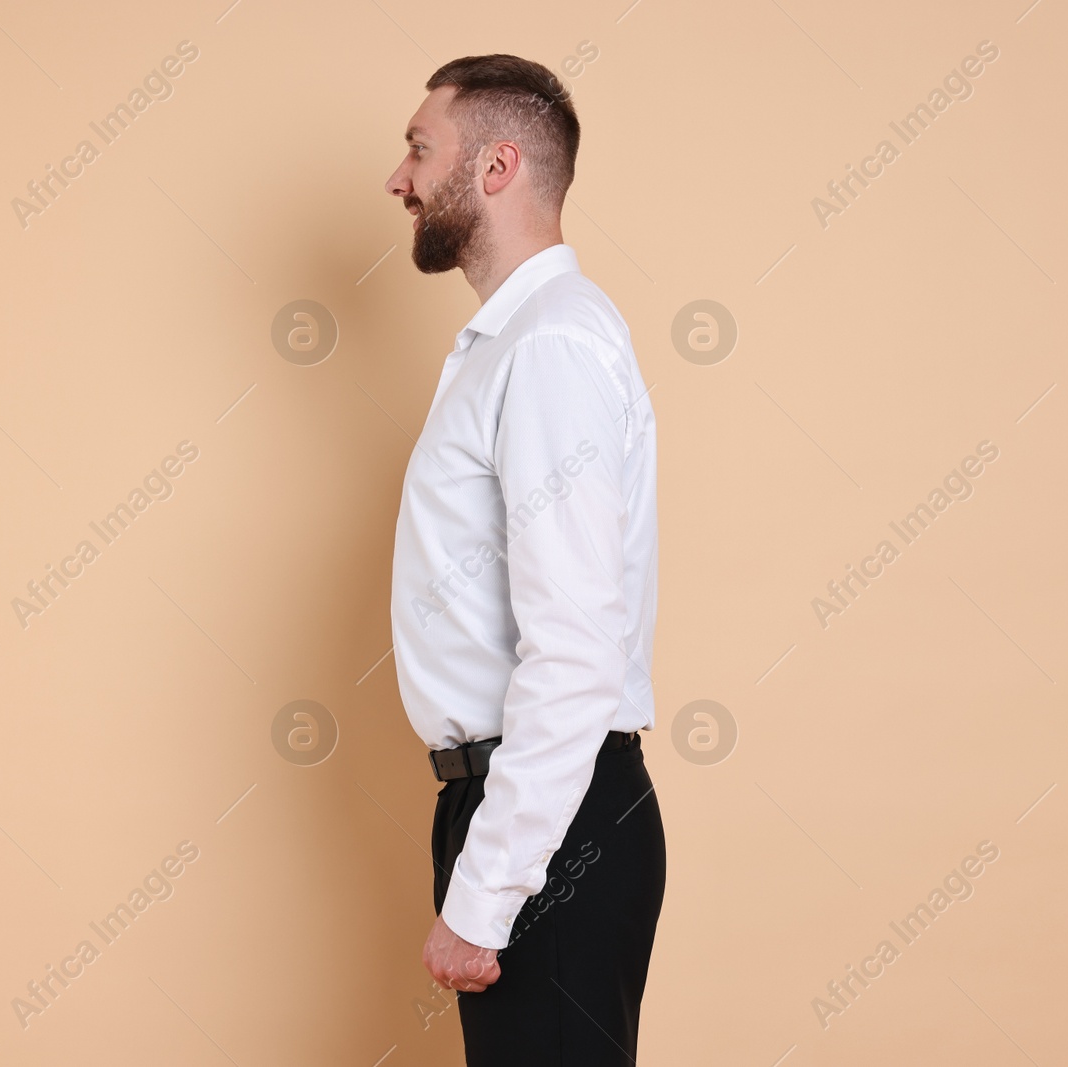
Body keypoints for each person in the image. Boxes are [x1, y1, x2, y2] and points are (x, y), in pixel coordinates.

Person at [385, 53, 665, 1065]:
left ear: (497, 166)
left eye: (420, 148)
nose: (398, 178)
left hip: (550, 819)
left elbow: (576, 647)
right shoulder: (514, 343)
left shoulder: (548, 345)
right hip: (518, 804)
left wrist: (490, 887)